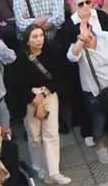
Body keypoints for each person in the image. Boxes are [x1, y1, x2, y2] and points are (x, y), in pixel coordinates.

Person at [66, 7, 108, 166]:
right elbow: (71, 57)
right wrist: (81, 41)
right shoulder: (78, 48)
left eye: (87, 31)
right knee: (98, 121)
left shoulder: (106, 37)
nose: (86, 35)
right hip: (96, 92)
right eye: (81, 34)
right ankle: (100, 148)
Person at [10, 23, 69, 184]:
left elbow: (59, 76)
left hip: (48, 94)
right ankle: (38, 166)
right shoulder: (20, 58)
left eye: (41, 36)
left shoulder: (52, 52)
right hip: (29, 98)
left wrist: (45, 92)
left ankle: (54, 171)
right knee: (35, 135)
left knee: (51, 133)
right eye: (34, 37)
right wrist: (32, 98)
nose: (39, 40)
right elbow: (17, 84)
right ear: (27, 40)